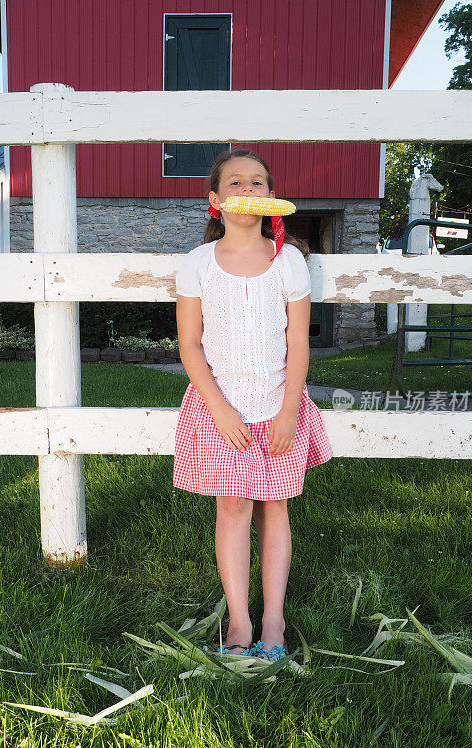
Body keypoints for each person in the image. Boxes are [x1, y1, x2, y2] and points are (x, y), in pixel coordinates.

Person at [173, 148, 333, 662]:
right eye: (236, 183)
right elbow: (190, 345)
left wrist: (289, 411)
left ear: (272, 195)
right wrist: (218, 408)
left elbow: (299, 343)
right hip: (222, 408)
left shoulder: (288, 262)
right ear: (215, 199)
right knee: (233, 506)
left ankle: (273, 619)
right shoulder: (198, 263)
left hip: (276, 404)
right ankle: (240, 622)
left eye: (258, 182)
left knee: (274, 506)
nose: (248, 190)